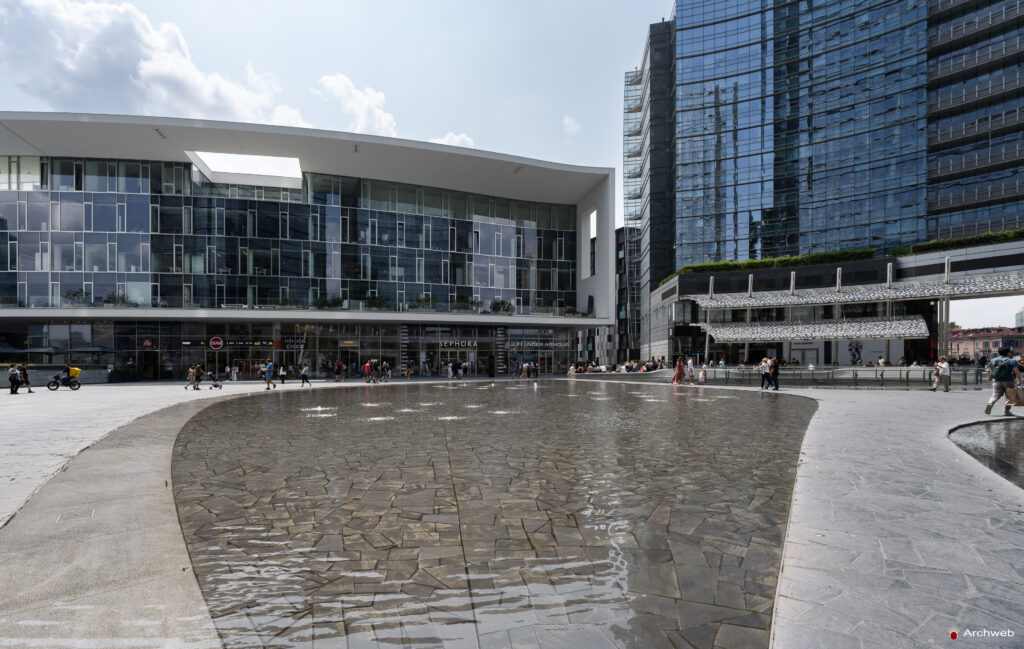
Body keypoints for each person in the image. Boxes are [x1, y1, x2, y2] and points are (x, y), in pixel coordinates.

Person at [984, 348, 1021, 415]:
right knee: (1010, 397)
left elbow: (988, 370)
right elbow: (1016, 371)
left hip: (996, 381)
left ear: (999, 353)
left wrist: (989, 378)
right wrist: (1019, 380)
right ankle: (1006, 411)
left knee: (995, 396)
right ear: (1008, 353)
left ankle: (990, 404)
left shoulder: (993, 360)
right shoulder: (1011, 361)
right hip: (1009, 381)